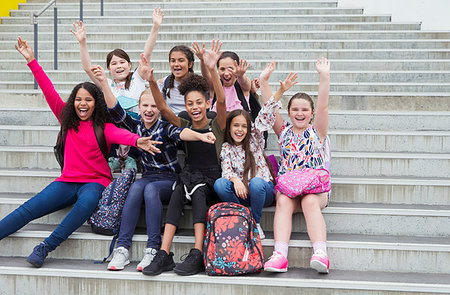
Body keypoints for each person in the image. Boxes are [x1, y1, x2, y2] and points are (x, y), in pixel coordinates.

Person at [0, 37, 161, 268]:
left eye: (88, 100)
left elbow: (122, 136)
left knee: (83, 208)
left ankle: (45, 247)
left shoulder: (104, 127)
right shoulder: (66, 120)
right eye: (78, 99)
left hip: (95, 183)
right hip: (66, 181)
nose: (82, 104)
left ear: (96, 103)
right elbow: (48, 90)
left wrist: (138, 141)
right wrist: (32, 61)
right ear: (72, 102)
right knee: (29, 209)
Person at [91, 57, 216, 272]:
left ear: (159, 109)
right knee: (137, 186)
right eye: (144, 106)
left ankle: (152, 248)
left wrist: (199, 136)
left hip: (168, 180)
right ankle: (122, 248)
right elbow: (115, 108)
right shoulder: (135, 125)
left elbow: (181, 132)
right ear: (138, 108)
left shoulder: (165, 127)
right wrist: (103, 82)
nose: (149, 110)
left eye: (153, 106)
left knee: (148, 189)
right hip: (148, 177)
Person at [142, 41, 227, 276]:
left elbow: (222, 101)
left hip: (210, 178)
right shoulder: (185, 122)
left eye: (199, 102)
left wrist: (211, 69)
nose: (194, 107)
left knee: (198, 193)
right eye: (190, 103)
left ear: (206, 103)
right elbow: (162, 107)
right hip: (188, 174)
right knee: (179, 191)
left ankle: (198, 252)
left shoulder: (216, 124)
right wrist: (151, 80)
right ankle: (164, 254)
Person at [258, 58, 331, 274]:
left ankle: (320, 254)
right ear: (289, 112)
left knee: (309, 202)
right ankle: (280, 255)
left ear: (311, 113)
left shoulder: (317, 131)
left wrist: (324, 76)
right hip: (290, 188)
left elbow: (324, 105)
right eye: (295, 109)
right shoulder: (284, 132)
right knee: (283, 202)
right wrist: (264, 81)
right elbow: (269, 108)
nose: (300, 113)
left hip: (315, 191)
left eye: (305, 110)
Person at [72, 8, 164, 170]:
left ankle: (131, 158)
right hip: (114, 125)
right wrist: (82, 42)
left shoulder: (137, 79)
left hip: (135, 122)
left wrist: (155, 27)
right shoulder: (106, 83)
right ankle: (113, 157)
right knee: (107, 121)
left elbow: (146, 55)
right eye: (114, 63)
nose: (119, 66)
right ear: (108, 68)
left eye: (122, 62)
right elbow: (87, 68)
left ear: (129, 65)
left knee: (138, 123)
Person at [213, 109, 276, 239]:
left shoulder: (255, 142)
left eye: (244, 126)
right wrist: (236, 180)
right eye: (236, 125)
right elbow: (226, 170)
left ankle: (255, 223)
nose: (239, 129)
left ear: (249, 129)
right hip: (243, 193)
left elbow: (264, 117)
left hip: (263, 192)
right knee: (219, 184)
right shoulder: (226, 147)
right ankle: (243, 217)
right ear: (229, 127)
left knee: (256, 182)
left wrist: (279, 93)